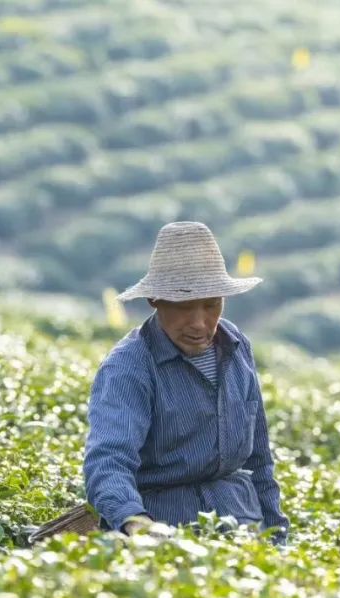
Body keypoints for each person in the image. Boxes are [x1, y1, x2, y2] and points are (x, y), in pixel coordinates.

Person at [83, 221, 289, 541]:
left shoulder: (236, 347)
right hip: (168, 532)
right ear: (154, 300)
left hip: (242, 526)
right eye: (183, 307)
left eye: (211, 305)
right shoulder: (128, 368)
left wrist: (277, 536)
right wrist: (136, 522)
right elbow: (108, 461)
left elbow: (259, 459)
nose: (199, 323)